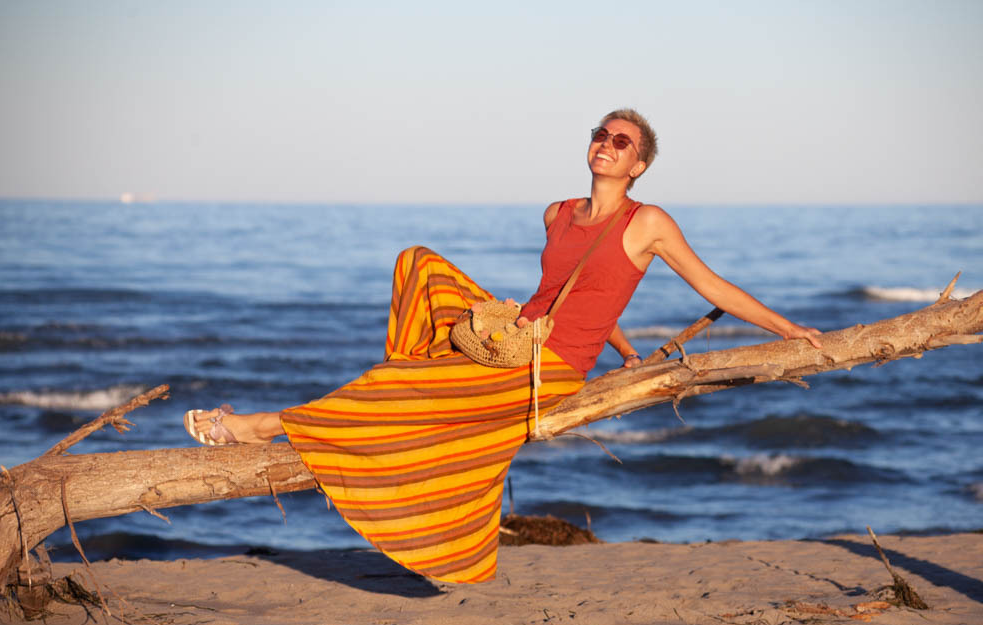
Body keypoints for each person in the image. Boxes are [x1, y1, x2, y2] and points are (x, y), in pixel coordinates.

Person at [185, 108, 821, 584]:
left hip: (551, 369)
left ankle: (259, 426)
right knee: (419, 262)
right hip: (519, 338)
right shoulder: (557, 211)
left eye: (621, 141)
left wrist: (789, 330)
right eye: (601, 133)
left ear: (640, 165)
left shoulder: (647, 221)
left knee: (386, 389)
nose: (606, 144)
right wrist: (623, 350)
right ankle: (422, 368)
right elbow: (566, 293)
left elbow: (712, 284)